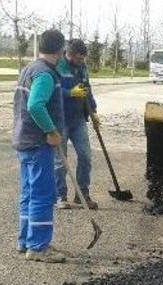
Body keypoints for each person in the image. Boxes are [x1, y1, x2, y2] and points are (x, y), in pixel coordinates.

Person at [12, 29, 67, 263]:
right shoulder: (45, 74)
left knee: (28, 193)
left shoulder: (30, 69)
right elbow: (35, 105)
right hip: (37, 143)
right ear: (60, 50)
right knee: (43, 195)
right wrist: (52, 131)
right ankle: (38, 247)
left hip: (24, 141)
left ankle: (25, 241)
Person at [55, 38, 102, 210]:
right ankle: (60, 196)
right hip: (60, 120)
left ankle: (82, 195)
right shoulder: (58, 66)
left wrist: (94, 112)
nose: (82, 62)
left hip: (78, 119)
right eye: (79, 59)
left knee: (85, 156)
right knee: (61, 161)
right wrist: (70, 93)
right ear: (69, 54)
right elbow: (52, 91)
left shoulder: (82, 67)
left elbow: (87, 89)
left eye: (84, 59)